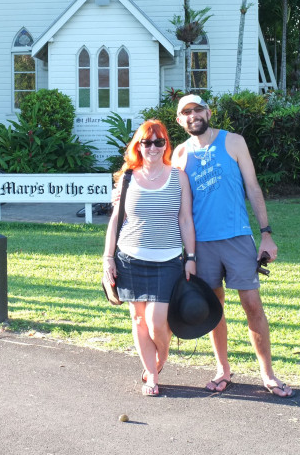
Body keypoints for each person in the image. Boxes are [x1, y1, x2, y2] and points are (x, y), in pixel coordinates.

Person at [172, 94, 293, 398]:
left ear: (208, 112)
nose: (193, 115)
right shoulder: (180, 154)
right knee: (213, 308)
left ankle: (268, 374)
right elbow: (179, 207)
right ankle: (222, 369)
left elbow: (253, 188)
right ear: (179, 120)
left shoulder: (233, 142)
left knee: (252, 304)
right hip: (202, 245)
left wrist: (266, 234)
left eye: (197, 109)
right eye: (186, 112)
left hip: (237, 238)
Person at [101, 119, 197, 397]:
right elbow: (116, 221)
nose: (153, 147)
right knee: (138, 320)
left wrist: (190, 257)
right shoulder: (128, 178)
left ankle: (160, 359)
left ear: (166, 145)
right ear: (138, 146)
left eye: (159, 142)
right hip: (130, 258)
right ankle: (151, 377)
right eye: (147, 142)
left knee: (157, 322)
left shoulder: (179, 177)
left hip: (168, 260)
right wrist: (108, 258)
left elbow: (186, 219)